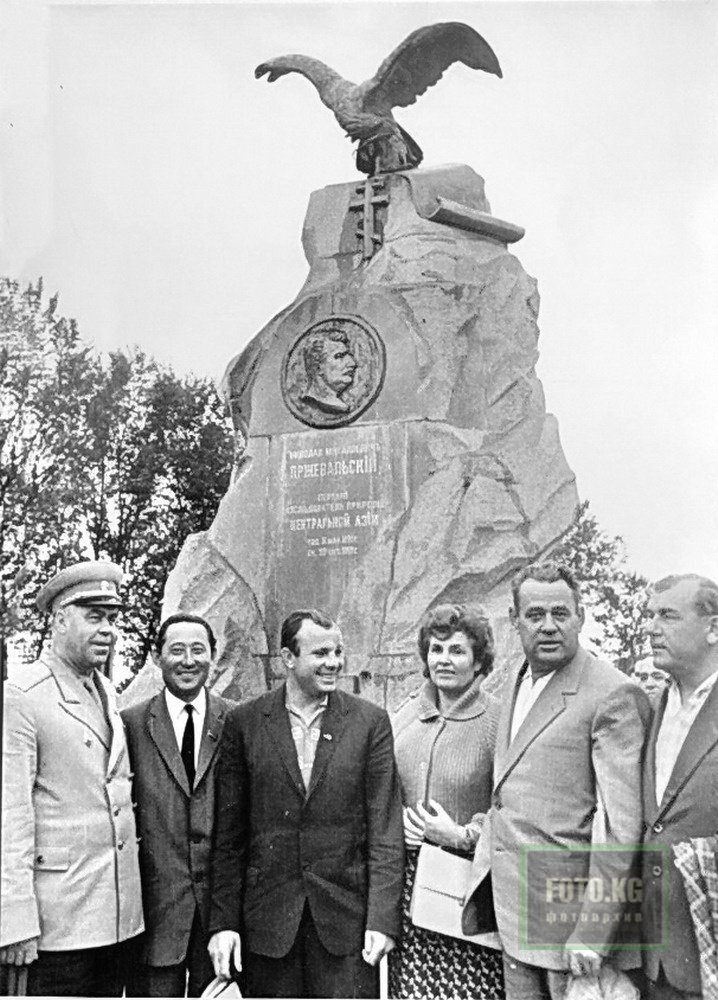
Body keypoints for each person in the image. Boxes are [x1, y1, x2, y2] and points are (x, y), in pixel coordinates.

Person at [462, 561, 650, 1000]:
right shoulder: (516, 680)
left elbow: (622, 828)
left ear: (580, 617)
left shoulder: (612, 693)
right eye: (534, 615)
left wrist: (593, 931)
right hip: (514, 915)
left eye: (560, 614)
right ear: (514, 621)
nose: (548, 627)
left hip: (573, 932)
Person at [208, 608, 404, 999]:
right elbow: (229, 837)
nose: (333, 662)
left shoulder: (370, 722)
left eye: (338, 652)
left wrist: (382, 919)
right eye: (320, 654)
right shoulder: (245, 723)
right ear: (287, 659)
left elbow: (385, 830)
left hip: (346, 931)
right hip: (267, 930)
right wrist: (223, 923)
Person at [0, 561, 144, 997]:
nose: (108, 631)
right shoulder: (23, 695)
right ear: (59, 619)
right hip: (55, 927)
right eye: (94, 617)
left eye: (113, 620)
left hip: (115, 920)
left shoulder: (106, 691)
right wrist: (14, 920)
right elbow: (10, 816)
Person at [389, 604, 504, 1000]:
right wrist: (395, 825)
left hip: (465, 891)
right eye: (436, 649)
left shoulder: (497, 722)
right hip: (406, 891)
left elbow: (509, 808)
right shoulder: (404, 717)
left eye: (457, 651)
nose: (444, 660)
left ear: (478, 661)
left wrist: (460, 834)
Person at [122, 613, 230, 997]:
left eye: (198, 650)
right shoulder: (130, 725)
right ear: (157, 656)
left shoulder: (236, 721)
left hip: (220, 923)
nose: (188, 661)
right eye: (177, 650)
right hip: (154, 920)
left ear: (213, 656)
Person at [640, 573, 718, 1000]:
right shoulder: (650, 707)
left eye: (668, 616)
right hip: (654, 956)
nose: (652, 627)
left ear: (713, 628)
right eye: (649, 615)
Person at [300, 328, 357, 414]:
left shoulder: (342, 405)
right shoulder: (313, 402)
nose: (352, 363)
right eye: (339, 356)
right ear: (317, 367)